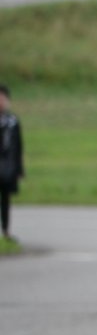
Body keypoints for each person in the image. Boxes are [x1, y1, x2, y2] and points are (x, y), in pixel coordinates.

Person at [0, 84, 22, 241]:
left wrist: (19, 169)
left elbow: (18, 147)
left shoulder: (12, 122)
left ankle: (6, 231)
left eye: (3, 99)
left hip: (7, 167)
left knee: (5, 199)